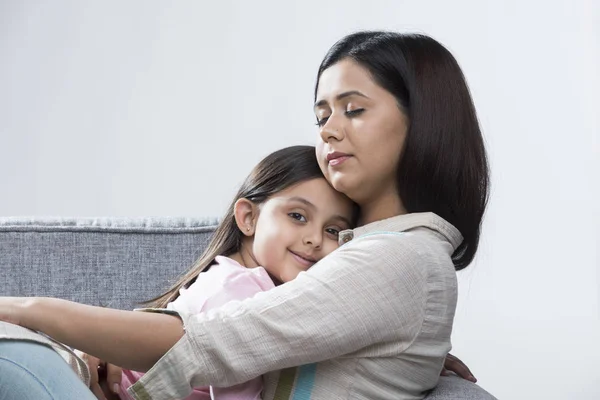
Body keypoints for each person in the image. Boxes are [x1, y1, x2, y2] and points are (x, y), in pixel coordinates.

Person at [0, 30, 488, 399]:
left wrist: (30, 310)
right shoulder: (376, 259)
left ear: (422, 120)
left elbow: (214, 341)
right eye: (321, 117)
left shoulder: (398, 260)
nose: (330, 131)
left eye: (353, 109)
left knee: (13, 355)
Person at [1, 145, 357, 400]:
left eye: (332, 231)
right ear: (248, 217)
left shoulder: (233, 277)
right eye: (297, 216)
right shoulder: (244, 291)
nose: (313, 240)